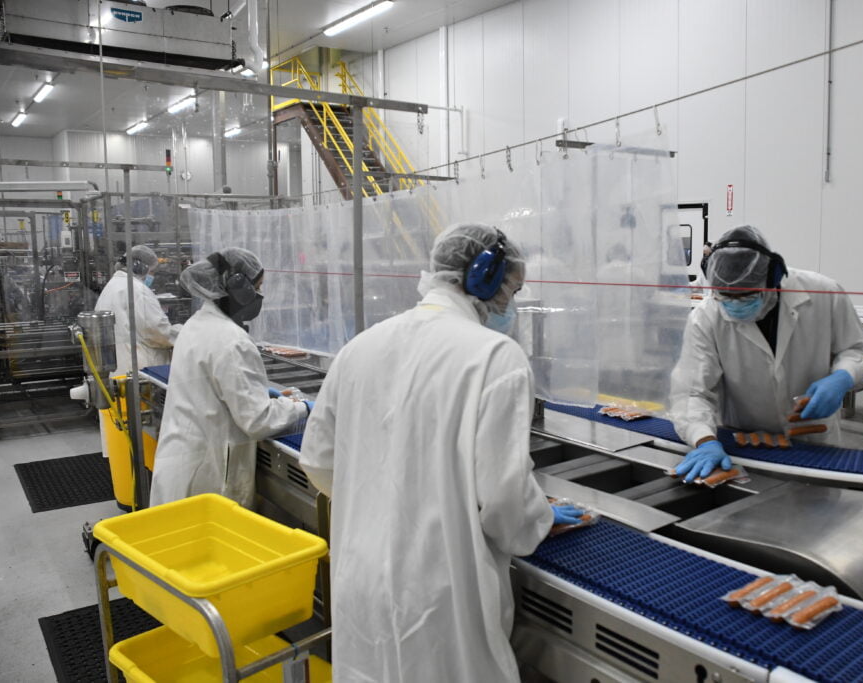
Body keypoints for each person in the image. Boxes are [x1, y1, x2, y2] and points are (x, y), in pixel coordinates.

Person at [298, 224, 582, 682]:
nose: (511, 304)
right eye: (511, 289)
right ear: (484, 279)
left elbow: (316, 460)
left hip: (361, 579)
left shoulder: (359, 348)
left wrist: (383, 504)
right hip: (440, 595)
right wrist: (537, 521)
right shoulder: (495, 356)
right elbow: (505, 499)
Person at [669, 226, 863, 482]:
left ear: (774, 278)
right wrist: (705, 440)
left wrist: (842, 377)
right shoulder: (706, 318)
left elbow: (855, 349)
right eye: (726, 297)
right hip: (747, 445)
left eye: (747, 296)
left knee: (821, 511)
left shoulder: (824, 294)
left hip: (815, 442)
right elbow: (692, 392)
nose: (735, 305)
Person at [149, 248, 310, 508]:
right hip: (208, 473)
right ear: (239, 288)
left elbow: (220, 389)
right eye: (257, 287)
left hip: (184, 456)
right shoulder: (232, 341)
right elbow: (257, 420)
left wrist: (276, 400)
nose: (259, 296)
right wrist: (300, 408)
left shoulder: (196, 324)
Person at [94, 244, 181, 374]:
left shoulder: (112, 286)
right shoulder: (137, 289)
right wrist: (183, 334)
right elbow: (157, 331)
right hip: (138, 369)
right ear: (141, 268)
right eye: (152, 271)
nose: (152, 276)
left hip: (118, 366)